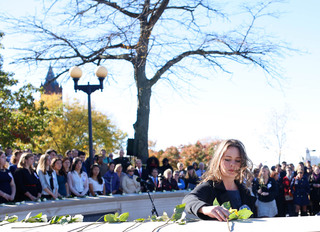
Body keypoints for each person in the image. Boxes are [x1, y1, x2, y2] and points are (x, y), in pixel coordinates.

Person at [183, 139, 256, 221]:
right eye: (227, 159)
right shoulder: (210, 186)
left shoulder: (244, 190)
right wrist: (205, 209)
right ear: (218, 160)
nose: (232, 164)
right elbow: (188, 200)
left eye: (237, 160)